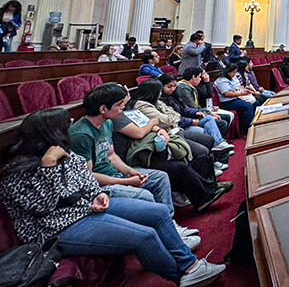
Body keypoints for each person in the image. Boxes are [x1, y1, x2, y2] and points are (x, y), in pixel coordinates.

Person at [0, 108, 226, 286]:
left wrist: (98, 194)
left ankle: (190, 266)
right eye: (64, 126)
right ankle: (181, 276)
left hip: (85, 209)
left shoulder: (65, 154)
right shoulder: (16, 172)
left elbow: (86, 181)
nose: (69, 130)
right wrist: (49, 166)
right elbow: (43, 207)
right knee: (144, 236)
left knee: (157, 212)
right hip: (55, 230)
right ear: (49, 134)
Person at [68, 84, 196, 244]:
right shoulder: (81, 134)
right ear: (103, 109)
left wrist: (130, 172)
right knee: (145, 195)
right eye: (119, 104)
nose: (123, 108)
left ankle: (170, 227)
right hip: (98, 187)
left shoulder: (107, 122)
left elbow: (111, 155)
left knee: (160, 178)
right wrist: (126, 182)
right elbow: (88, 177)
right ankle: (168, 238)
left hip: (114, 175)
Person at [113, 86, 231, 212]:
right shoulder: (117, 118)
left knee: (189, 154)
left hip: (150, 148)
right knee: (180, 165)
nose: (127, 94)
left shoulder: (126, 112)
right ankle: (206, 193)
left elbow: (157, 123)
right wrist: (153, 123)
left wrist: (157, 128)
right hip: (137, 157)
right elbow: (141, 132)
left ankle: (208, 189)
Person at [158, 74, 231, 152]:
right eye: (169, 86)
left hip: (185, 120)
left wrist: (196, 112)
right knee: (206, 132)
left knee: (209, 118)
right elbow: (174, 119)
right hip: (178, 126)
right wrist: (191, 121)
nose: (172, 89)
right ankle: (218, 149)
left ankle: (219, 145)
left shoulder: (173, 95)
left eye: (174, 86)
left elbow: (185, 108)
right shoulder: (162, 100)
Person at [214, 63, 257, 135]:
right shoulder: (221, 80)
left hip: (236, 98)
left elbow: (239, 87)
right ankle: (247, 130)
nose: (235, 74)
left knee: (256, 103)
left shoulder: (233, 77)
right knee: (248, 106)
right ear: (228, 72)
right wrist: (241, 94)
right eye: (233, 72)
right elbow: (227, 94)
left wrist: (245, 91)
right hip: (227, 102)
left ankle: (255, 124)